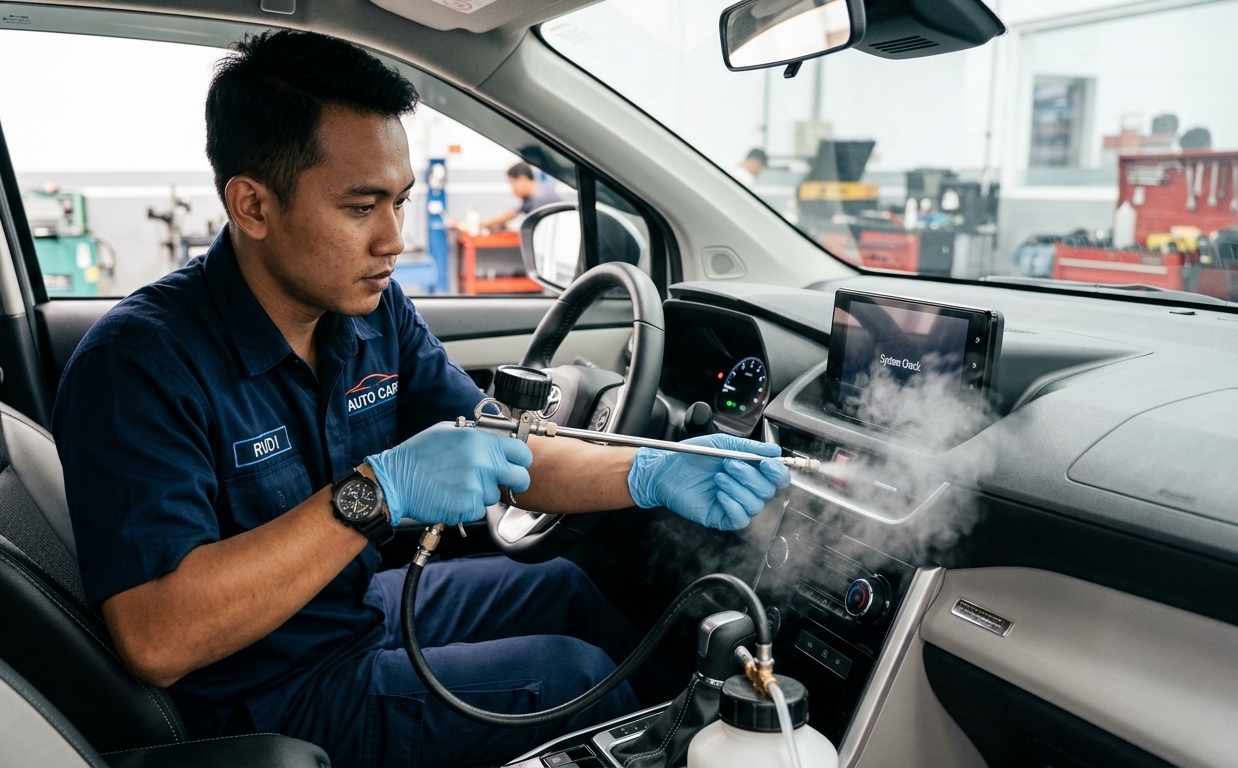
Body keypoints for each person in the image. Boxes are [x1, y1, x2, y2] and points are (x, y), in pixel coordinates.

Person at [52, 30, 789, 768]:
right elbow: (157, 639)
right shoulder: (141, 364)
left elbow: (502, 446)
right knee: (573, 680)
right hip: (257, 693)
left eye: (400, 203)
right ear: (251, 205)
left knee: (565, 587)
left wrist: (652, 470)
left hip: (345, 614)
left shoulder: (370, 316)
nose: (393, 240)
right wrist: (377, 493)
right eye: (360, 207)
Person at [482, 161, 563, 231]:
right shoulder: (532, 196)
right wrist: (486, 224)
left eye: (513, 184)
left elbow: (534, 229)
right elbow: (512, 213)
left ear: (522, 179)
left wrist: (484, 224)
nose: (513, 190)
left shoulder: (540, 199)